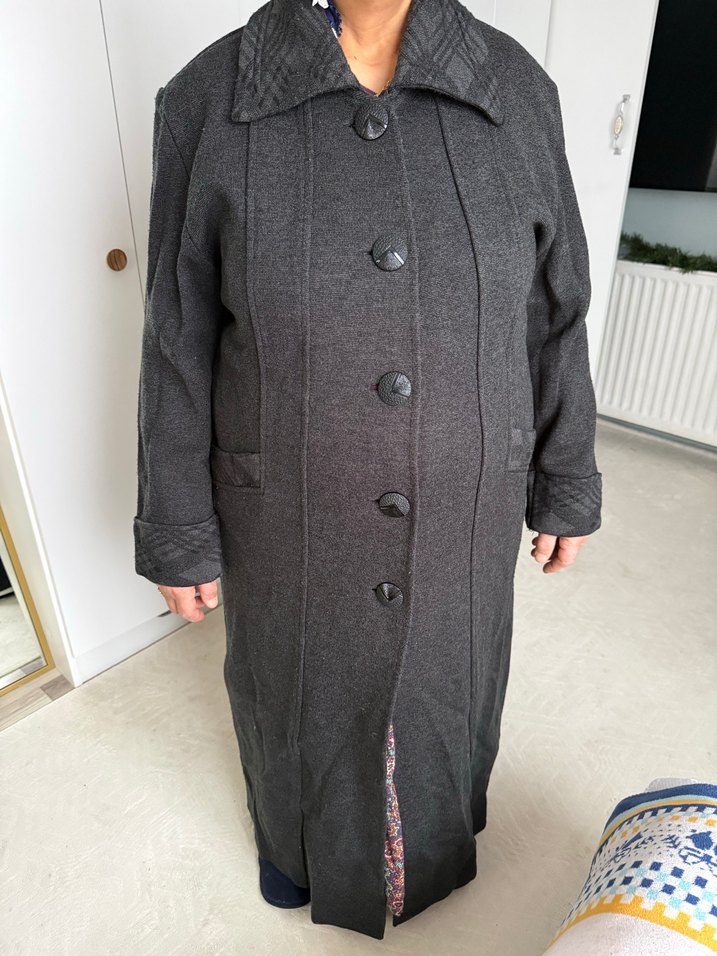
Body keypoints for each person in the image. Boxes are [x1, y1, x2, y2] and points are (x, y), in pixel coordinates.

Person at [133, 0, 603, 941]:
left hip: (468, 493)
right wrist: (177, 527)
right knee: (294, 688)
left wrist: (565, 476)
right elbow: (177, 338)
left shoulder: (514, 88)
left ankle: (429, 845)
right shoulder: (207, 98)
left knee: (448, 674)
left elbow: (553, 311)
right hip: (285, 509)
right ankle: (297, 850)